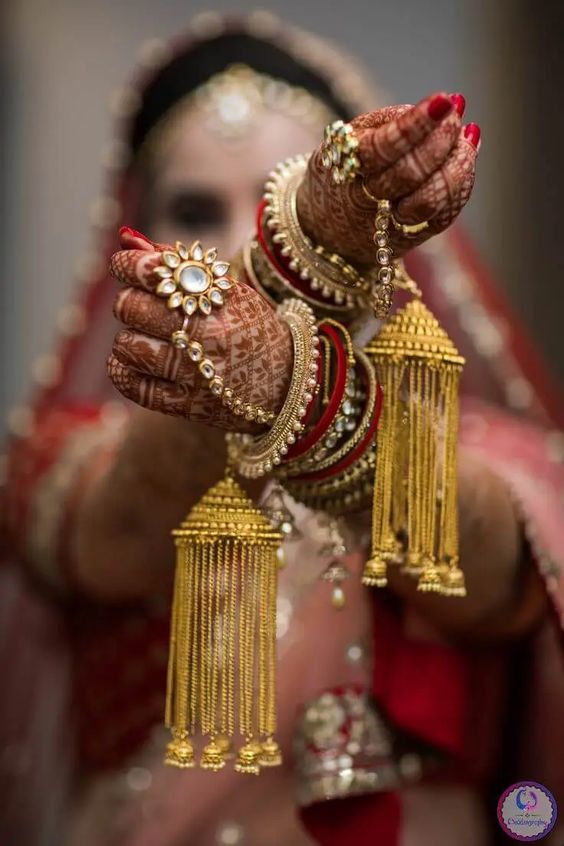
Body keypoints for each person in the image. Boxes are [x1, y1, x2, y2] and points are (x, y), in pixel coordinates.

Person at [1, 12, 562, 846]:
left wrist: (301, 372)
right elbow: (122, 525)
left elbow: (490, 578)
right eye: (196, 211)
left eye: (280, 198)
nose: (235, 242)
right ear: (139, 236)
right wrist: (299, 262)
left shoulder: (494, 458)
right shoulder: (65, 458)